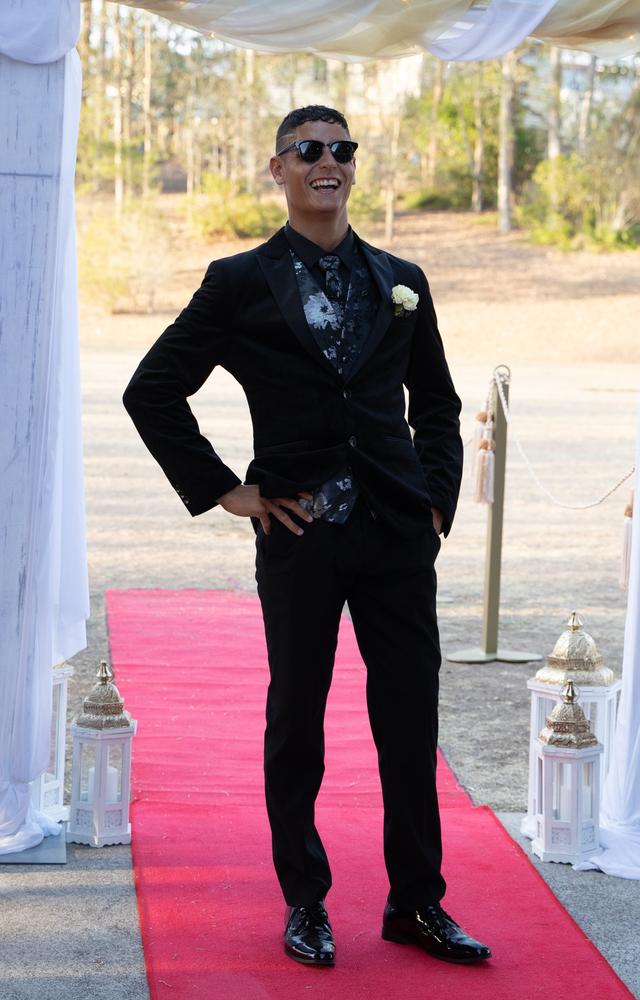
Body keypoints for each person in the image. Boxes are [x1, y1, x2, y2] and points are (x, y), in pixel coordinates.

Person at [123, 104, 491, 968]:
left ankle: (417, 904)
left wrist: (436, 499)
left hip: (400, 534)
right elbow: (153, 390)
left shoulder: (403, 278)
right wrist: (227, 492)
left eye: (341, 151)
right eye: (309, 151)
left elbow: (436, 404)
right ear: (279, 169)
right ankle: (305, 901)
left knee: (409, 722)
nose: (329, 162)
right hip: (302, 535)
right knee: (298, 721)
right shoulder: (239, 281)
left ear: (352, 167)